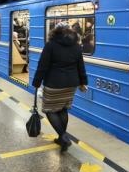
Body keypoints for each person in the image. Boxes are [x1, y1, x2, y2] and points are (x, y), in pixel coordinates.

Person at [33, 22, 88, 152]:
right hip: (71, 85)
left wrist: (36, 82)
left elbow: (43, 66)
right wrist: (83, 81)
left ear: (54, 33)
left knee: (50, 110)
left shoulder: (50, 45)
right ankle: (61, 137)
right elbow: (81, 66)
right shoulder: (76, 46)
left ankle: (63, 136)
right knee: (63, 109)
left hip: (54, 84)